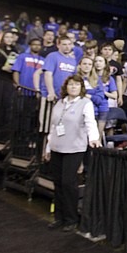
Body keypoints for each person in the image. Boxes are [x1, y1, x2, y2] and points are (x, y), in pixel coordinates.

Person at [43, 75, 100, 231]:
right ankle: (59, 218)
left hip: (74, 148)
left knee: (69, 183)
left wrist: (94, 138)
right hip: (56, 147)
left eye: (77, 85)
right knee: (58, 183)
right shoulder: (59, 103)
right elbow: (53, 127)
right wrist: (48, 147)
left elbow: (90, 123)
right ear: (66, 87)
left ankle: (71, 218)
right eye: (71, 84)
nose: (73, 87)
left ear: (81, 87)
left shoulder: (85, 103)